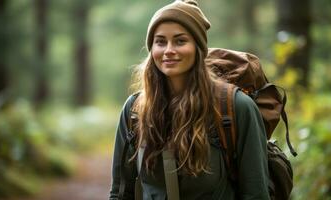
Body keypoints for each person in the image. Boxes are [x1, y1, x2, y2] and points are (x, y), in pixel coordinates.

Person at [109, 0, 270, 199]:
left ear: (198, 48)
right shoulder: (135, 111)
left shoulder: (235, 108)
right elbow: (120, 193)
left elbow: (256, 194)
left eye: (180, 41)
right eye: (160, 41)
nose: (168, 50)